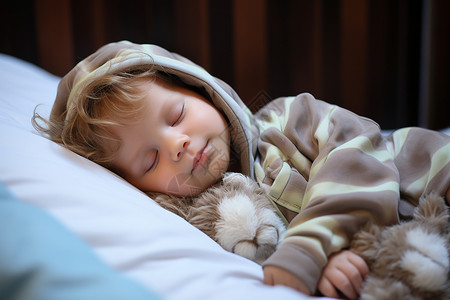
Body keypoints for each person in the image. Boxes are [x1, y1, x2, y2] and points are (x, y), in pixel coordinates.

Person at [33, 41, 450, 299]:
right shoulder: (213, 223)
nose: (176, 146)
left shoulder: (289, 119)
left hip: (432, 172)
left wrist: (310, 249)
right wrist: (330, 259)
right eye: (150, 160)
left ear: (201, 90)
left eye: (176, 115)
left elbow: (357, 155)